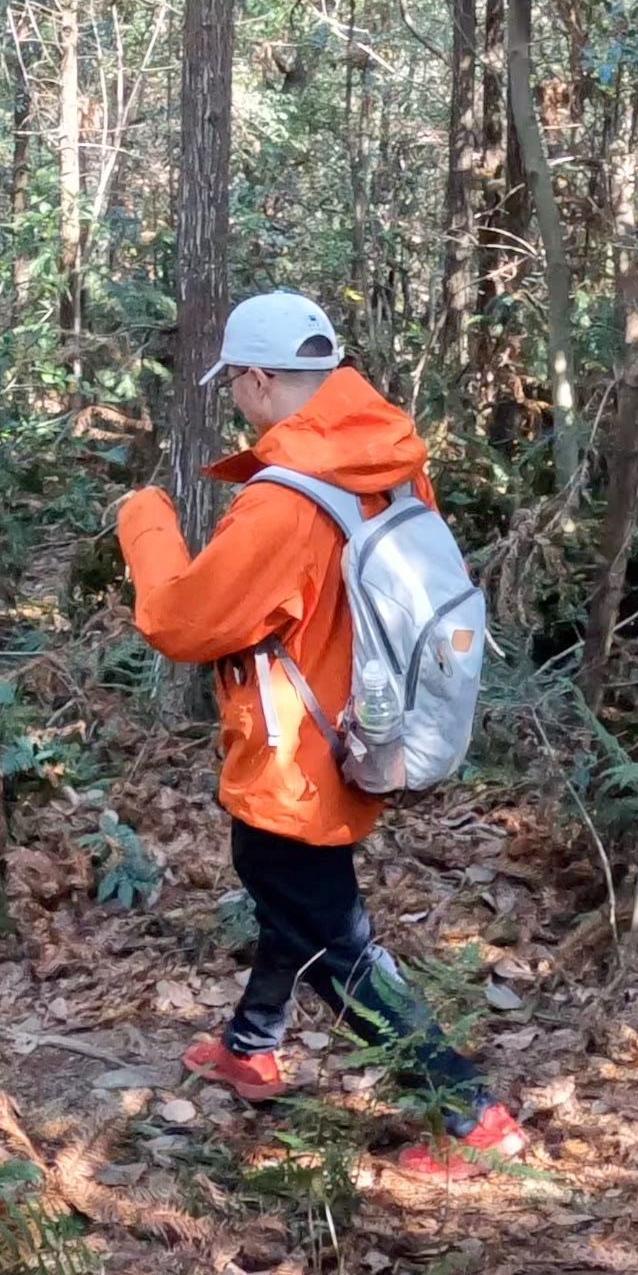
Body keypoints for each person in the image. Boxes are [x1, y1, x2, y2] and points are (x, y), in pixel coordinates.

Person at [114, 290, 526, 1178]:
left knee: (331, 936)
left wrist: (143, 518)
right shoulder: (392, 459)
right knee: (292, 904)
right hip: (364, 733)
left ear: (260, 379)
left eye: (239, 387)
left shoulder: (287, 501)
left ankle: (468, 1115)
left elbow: (185, 623)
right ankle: (250, 1044)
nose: (238, 403)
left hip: (295, 758)